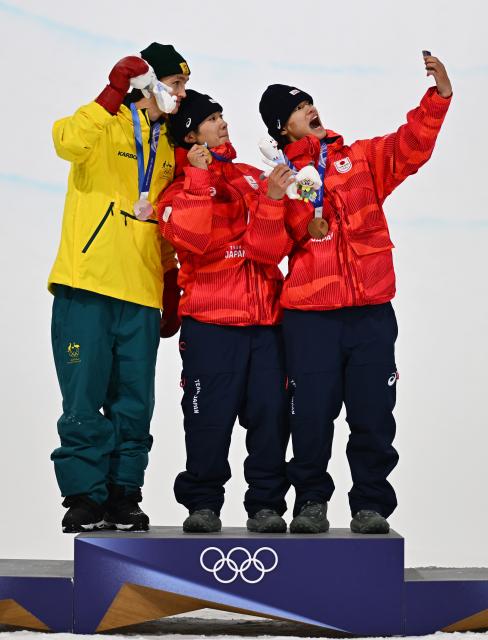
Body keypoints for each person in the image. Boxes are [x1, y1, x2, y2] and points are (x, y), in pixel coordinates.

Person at [258, 54, 452, 534]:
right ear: (283, 127)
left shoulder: (359, 159)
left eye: (310, 102)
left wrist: (439, 96)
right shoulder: (279, 179)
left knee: (373, 416)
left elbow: (409, 147)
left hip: (370, 312)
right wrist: (273, 201)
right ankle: (310, 502)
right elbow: (268, 250)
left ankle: (371, 504)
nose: (312, 109)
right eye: (300, 108)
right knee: (310, 419)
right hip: (311, 319)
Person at [49, 43, 190, 533]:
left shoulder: (169, 147)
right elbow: (65, 142)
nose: (180, 94)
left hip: (143, 294)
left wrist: (170, 282)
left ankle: (124, 494)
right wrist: (111, 93)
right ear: (147, 84)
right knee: (84, 397)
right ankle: (85, 497)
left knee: (135, 402)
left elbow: (165, 222)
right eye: (174, 84)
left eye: (182, 86)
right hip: (87, 284)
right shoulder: (104, 123)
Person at [157, 89, 293, 533]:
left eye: (220, 115)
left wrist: (275, 198)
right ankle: (203, 504)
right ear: (191, 135)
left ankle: (267, 505)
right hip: (211, 328)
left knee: (272, 420)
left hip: (266, 325)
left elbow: (271, 250)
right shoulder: (177, 192)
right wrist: (197, 179)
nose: (223, 123)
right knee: (207, 424)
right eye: (212, 118)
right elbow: (193, 242)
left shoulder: (251, 178)